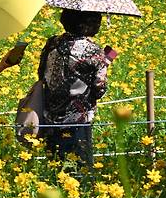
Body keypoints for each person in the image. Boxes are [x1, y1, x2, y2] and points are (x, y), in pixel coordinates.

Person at [38, 9, 113, 170]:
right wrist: (105, 63)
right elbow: (99, 90)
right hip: (77, 121)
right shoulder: (94, 51)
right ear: (88, 24)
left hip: (49, 117)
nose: (99, 23)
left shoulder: (52, 43)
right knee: (79, 172)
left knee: (55, 169)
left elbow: (41, 73)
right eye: (96, 19)